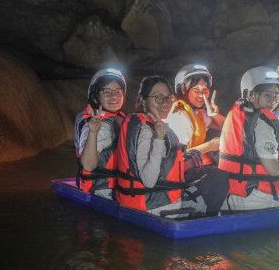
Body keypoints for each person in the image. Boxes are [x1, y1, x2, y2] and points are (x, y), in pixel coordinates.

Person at [115, 75, 228, 217]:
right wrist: (159, 138)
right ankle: (203, 225)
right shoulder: (148, 130)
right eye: (158, 97)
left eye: (168, 98)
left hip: (143, 199)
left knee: (212, 174)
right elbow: (149, 180)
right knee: (219, 179)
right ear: (144, 101)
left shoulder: (138, 121)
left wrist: (213, 114)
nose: (165, 103)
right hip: (157, 207)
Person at [218, 66, 279, 211]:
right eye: (267, 95)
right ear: (250, 94)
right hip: (257, 198)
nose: (273, 100)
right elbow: (274, 170)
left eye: (276, 96)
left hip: (233, 195)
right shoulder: (262, 122)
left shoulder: (237, 113)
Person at [73, 67, 128, 198]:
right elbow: (88, 165)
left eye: (118, 91)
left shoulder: (120, 119)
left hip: (121, 185)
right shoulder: (95, 123)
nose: (114, 96)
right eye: (106, 92)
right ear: (96, 96)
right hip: (102, 191)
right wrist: (93, 132)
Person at [166, 63, 225, 163]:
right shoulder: (179, 116)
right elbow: (178, 157)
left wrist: (213, 114)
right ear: (183, 90)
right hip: (180, 173)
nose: (201, 94)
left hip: (193, 168)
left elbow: (227, 127)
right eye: (196, 89)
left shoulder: (198, 112)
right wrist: (210, 146)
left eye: (205, 89)